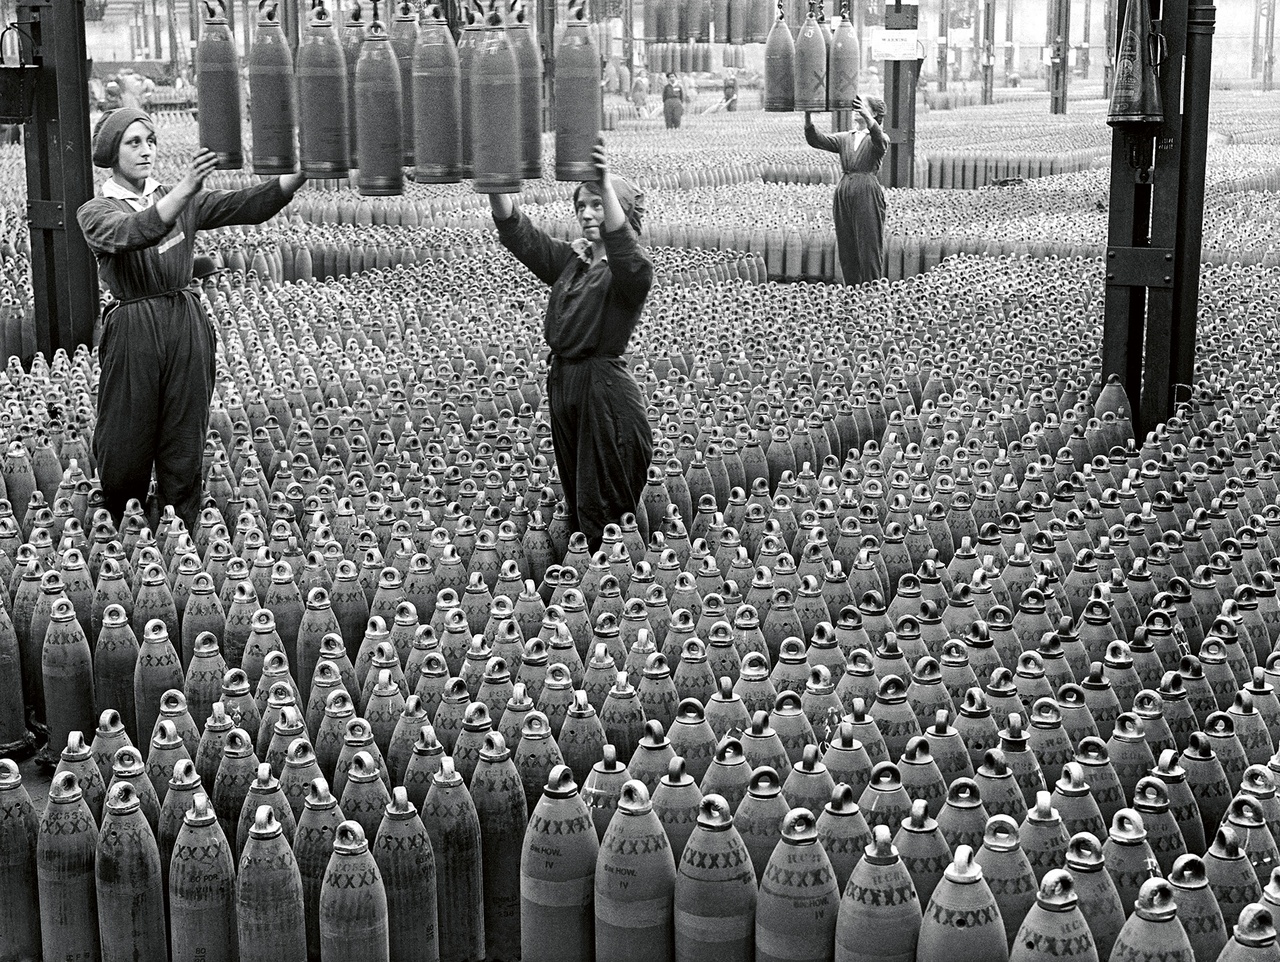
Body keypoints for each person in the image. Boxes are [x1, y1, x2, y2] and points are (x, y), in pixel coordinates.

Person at [77, 107, 307, 535]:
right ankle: (121, 530)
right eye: (134, 142)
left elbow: (245, 205)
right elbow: (135, 232)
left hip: (186, 320)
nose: (147, 151)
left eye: (151, 141)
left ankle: (177, 531)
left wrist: (301, 174)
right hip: (134, 327)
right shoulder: (96, 211)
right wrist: (183, 190)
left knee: (185, 433)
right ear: (112, 152)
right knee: (125, 438)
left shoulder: (178, 199)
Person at [486, 138, 653, 554]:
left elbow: (625, 250)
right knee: (579, 501)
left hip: (604, 394)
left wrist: (606, 184)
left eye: (597, 204)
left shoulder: (631, 272)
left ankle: (615, 589)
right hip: (565, 385)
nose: (587, 213)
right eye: (581, 206)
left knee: (604, 507)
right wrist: (492, 178)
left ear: (621, 210)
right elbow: (520, 235)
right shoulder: (571, 263)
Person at [803, 94, 889, 285]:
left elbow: (879, 139)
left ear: (874, 113)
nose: (856, 108)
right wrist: (808, 117)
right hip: (844, 189)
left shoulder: (879, 137)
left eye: (863, 106)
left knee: (869, 242)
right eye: (857, 106)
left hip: (866, 188)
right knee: (846, 242)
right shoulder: (846, 137)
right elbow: (818, 140)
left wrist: (867, 118)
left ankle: (872, 287)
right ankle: (852, 288)